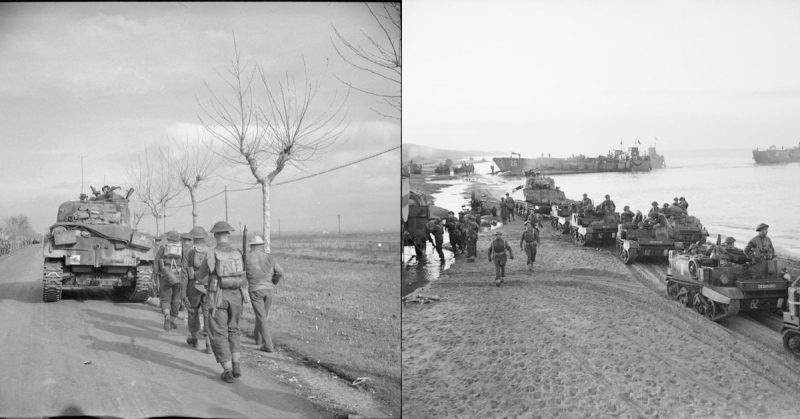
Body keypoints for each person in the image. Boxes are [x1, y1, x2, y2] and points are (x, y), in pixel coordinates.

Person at [197, 221, 250, 383]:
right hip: (236, 296)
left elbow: (200, 276)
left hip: (218, 297)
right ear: (228, 234)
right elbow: (243, 276)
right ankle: (236, 364)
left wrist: (209, 281)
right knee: (234, 329)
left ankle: (227, 369)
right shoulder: (238, 252)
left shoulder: (211, 253)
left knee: (217, 331)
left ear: (215, 236)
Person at [245, 235, 283, 353]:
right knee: (262, 316)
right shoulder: (269, 257)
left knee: (261, 317)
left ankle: (268, 346)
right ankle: (258, 339)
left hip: (255, 290)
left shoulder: (246, 257)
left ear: (251, 246)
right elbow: (280, 271)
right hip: (269, 290)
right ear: (261, 245)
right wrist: (274, 281)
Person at [185, 226, 211, 352]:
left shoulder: (189, 252)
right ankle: (208, 343)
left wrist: (183, 292)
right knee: (207, 313)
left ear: (193, 238)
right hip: (207, 285)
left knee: (192, 310)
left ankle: (194, 338)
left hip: (193, 284)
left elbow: (185, 274)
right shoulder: (211, 251)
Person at [155, 230, 185, 331]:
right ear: (178, 239)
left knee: (165, 299)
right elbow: (185, 264)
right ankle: (172, 320)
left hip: (165, 276)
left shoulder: (163, 249)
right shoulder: (182, 250)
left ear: (168, 239)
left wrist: (156, 276)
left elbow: (156, 263)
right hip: (178, 276)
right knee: (176, 300)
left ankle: (167, 317)